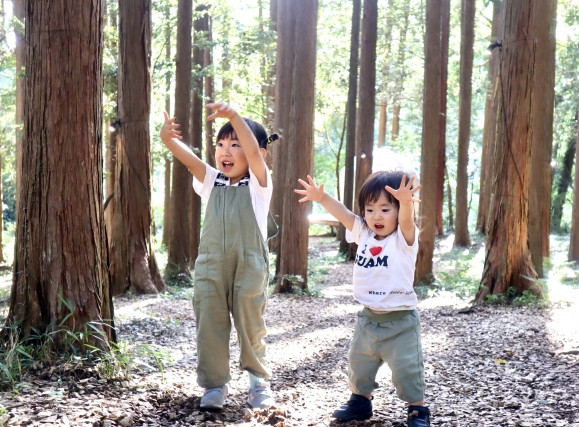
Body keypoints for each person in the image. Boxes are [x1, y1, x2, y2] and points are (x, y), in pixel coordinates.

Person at [160, 102, 278, 410]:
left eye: (235, 144)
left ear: (258, 154)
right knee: (209, 323)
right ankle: (214, 385)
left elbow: (253, 155)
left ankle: (257, 383)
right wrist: (168, 140)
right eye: (221, 144)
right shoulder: (211, 181)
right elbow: (189, 161)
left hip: (249, 264)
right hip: (211, 264)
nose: (225, 151)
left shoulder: (259, 186)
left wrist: (236, 117)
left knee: (250, 322)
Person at [295, 171, 431, 427]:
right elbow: (344, 214)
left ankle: (417, 410)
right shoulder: (364, 234)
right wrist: (322, 197)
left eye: (385, 209)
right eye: (369, 209)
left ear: (398, 210)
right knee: (359, 365)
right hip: (367, 319)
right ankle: (360, 401)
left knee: (407, 370)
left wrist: (406, 204)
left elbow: (407, 221)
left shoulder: (403, 239)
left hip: (401, 322)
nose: (376, 216)